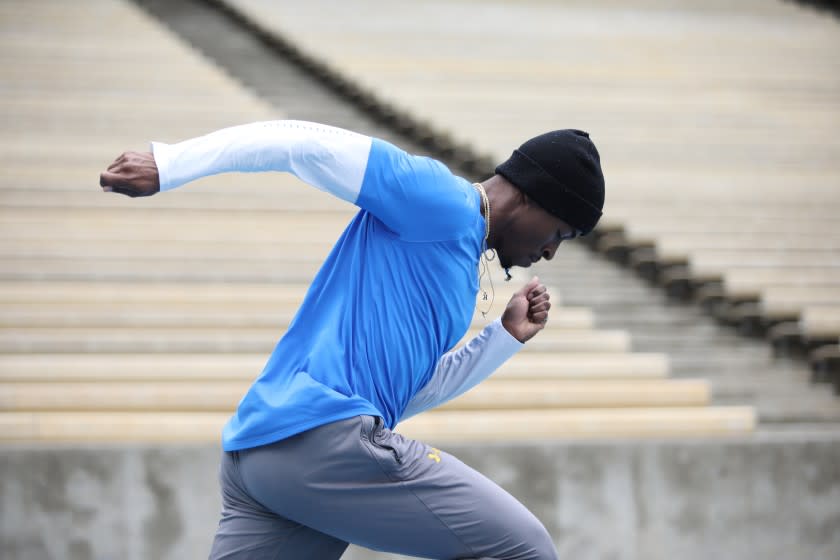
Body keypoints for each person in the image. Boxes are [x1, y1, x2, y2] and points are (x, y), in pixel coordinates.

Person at [99, 120, 605, 560]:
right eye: (559, 233)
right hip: (322, 442)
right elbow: (299, 143)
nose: (550, 252)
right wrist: (172, 164)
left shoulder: (456, 256)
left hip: (262, 457)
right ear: (530, 196)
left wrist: (503, 339)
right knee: (524, 550)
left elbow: (407, 393)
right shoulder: (442, 201)